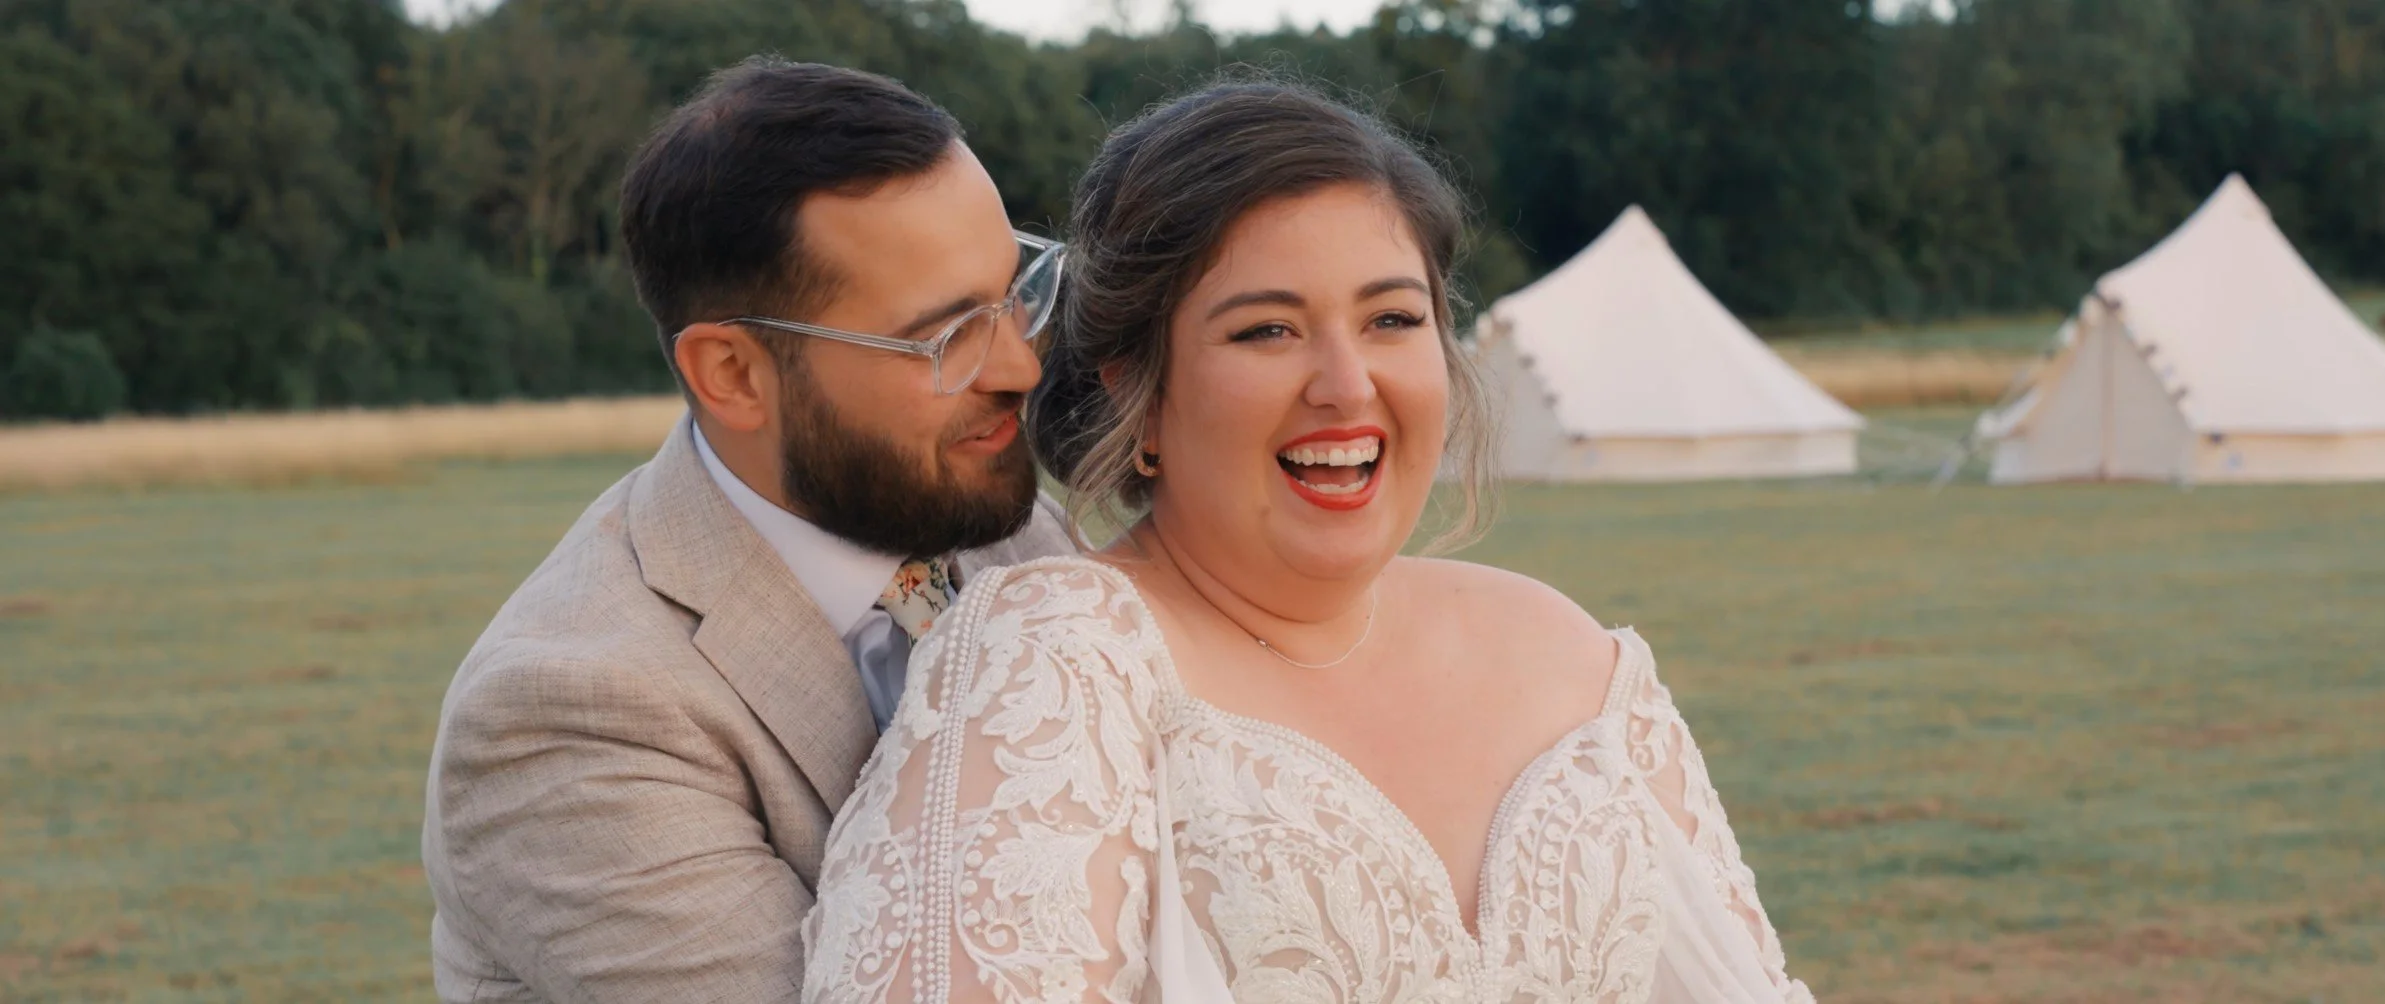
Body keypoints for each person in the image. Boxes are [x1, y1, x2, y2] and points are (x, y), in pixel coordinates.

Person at [799, 80, 1814, 1003]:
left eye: (1391, 318)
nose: (1345, 384)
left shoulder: (1566, 649)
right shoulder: (1058, 658)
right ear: (1135, 389)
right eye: (1267, 331)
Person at [420, 58, 1075, 1002]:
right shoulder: (569, 711)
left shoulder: (1000, 526)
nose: (1019, 365)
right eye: (945, 337)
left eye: (1015, 294)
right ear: (730, 374)